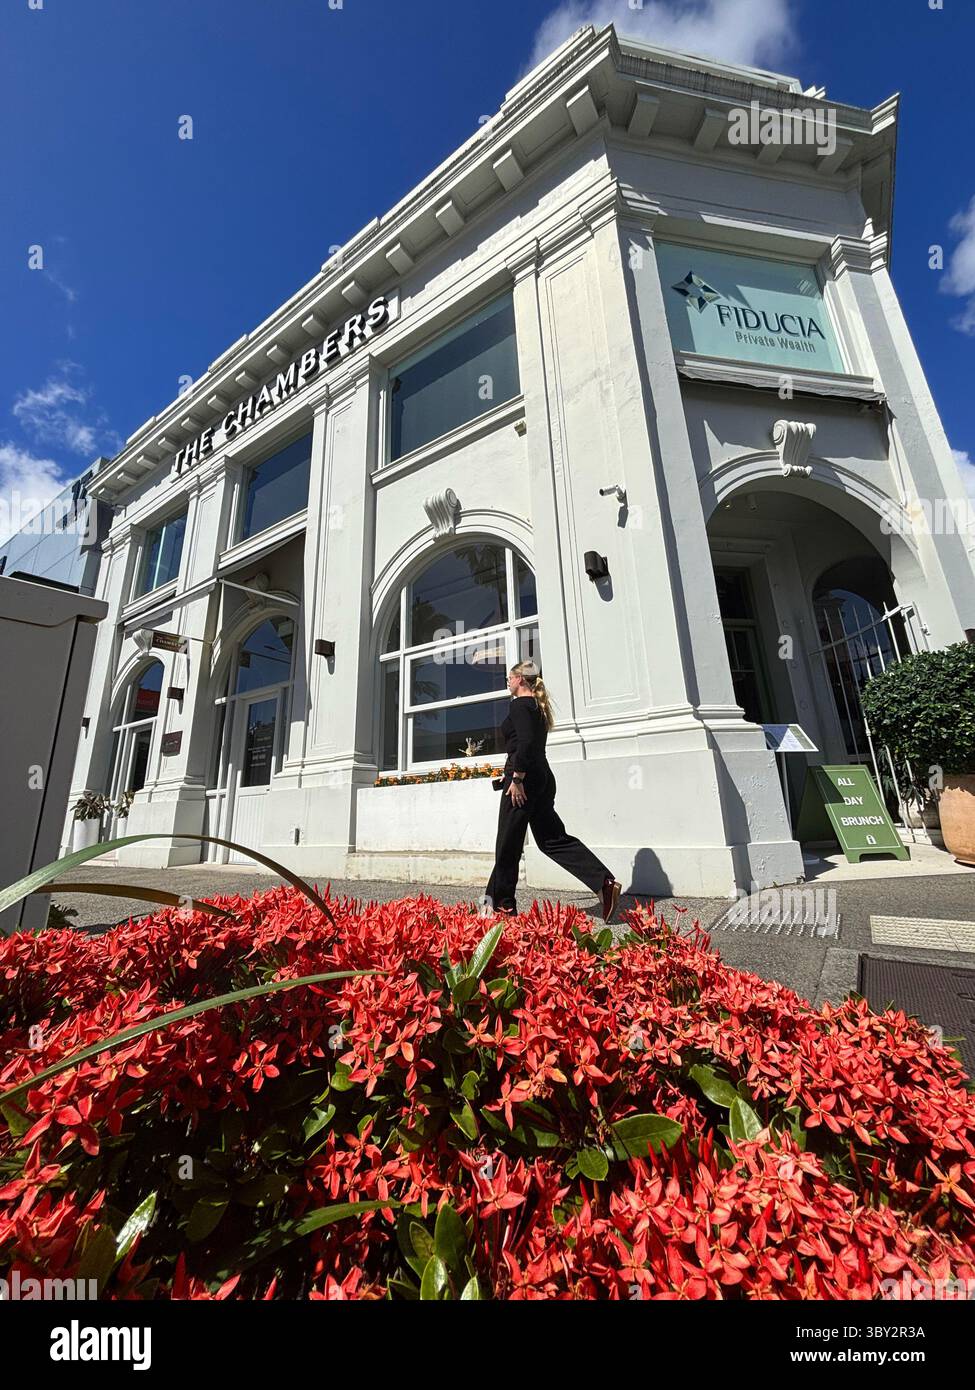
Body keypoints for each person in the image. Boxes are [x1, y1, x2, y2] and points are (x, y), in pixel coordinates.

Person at [481, 659, 622, 922]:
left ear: (521, 679)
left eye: (510, 678)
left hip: (522, 780)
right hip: (542, 777)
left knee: (508, 843)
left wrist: (518, 778)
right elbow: (532, 744)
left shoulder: (520, 705)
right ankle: (604, 883)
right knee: (551, 839)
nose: (507, 683)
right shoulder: (536, 706)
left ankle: (501, 907)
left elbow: (526, 743)